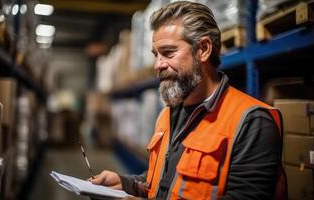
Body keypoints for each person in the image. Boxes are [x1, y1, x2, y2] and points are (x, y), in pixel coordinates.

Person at [90, 1, 287, 199]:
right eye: (156, 55)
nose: (158, 65)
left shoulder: (252, 122)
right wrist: (126, 184)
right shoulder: (167, 115)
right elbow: (164, 182)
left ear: (203, 49)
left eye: (168, 53)